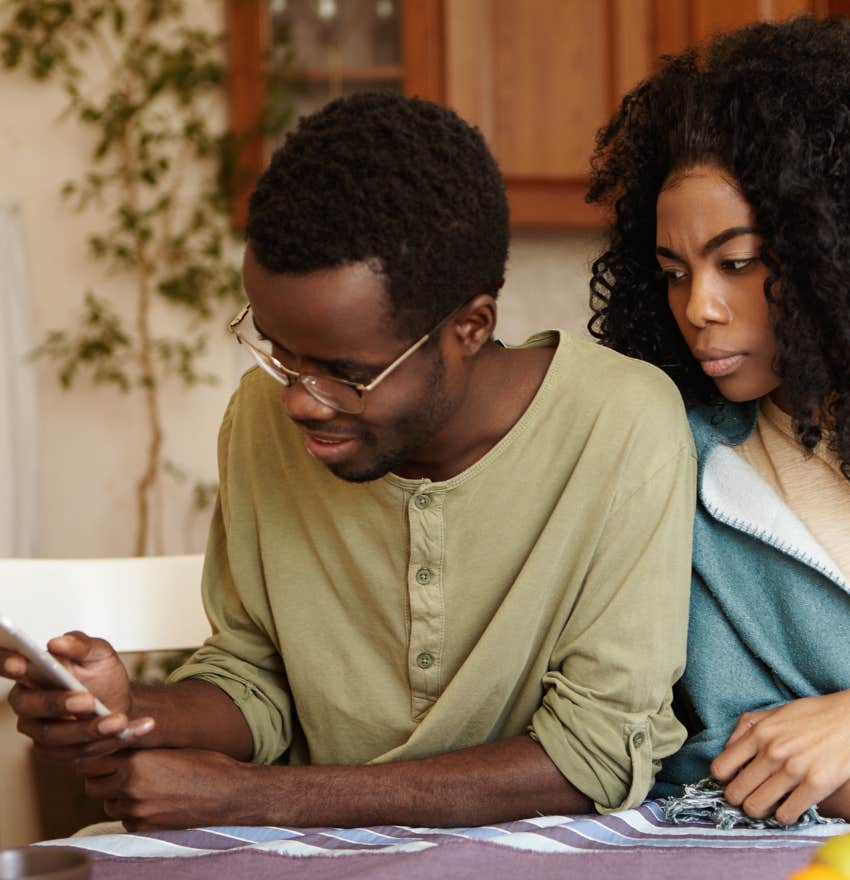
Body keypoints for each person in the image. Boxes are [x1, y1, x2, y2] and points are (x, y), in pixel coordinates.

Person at [2, 93, 695, 832]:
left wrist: (254, 798)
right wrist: (135, 707)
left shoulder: (622, 424)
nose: (300, 400)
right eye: (276, 350)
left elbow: (595, 755)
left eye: (344, 371)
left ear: (470, 327)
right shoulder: (259, 422)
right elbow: (257, 678)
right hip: (304, 872)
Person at [586, 15, 850, 826]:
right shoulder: (681, 467)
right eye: (673, 273)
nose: (698, 308)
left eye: (736, 263)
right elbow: (727, 757)